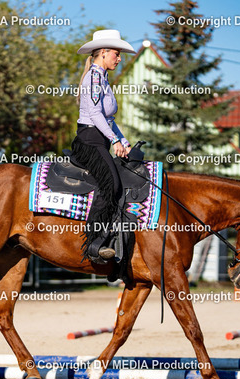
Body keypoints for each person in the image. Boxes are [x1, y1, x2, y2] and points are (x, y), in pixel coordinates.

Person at [73, 29, 135, 264]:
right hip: (89, 140)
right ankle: (94, 243)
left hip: (99, 138)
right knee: (111, 183)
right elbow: (95, 115)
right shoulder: (94, 78)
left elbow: (108, 119)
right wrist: (114, 140)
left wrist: (124, 142)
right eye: (116, 54)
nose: (119, 59)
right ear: (103, 53)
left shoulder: (102, 79)